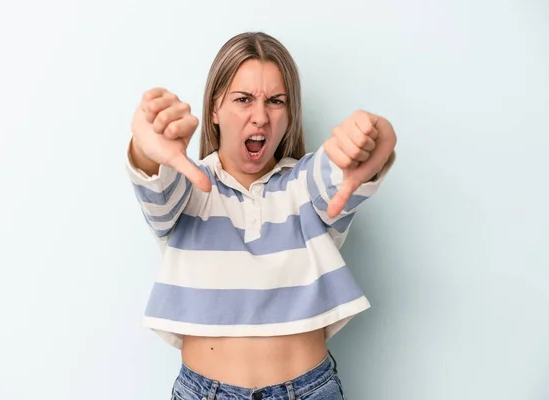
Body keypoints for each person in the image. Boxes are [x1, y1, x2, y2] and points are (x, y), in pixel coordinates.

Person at [126, 31, 396, 400]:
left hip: (310, 391)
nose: (260, 117)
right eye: (243, 99)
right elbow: (155, 180)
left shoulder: (303, 185)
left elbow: (340, 169)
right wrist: (144, 147)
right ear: (214, 110)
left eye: (275, 101)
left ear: (290, 113)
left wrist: (373, 138)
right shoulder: (190, 189)